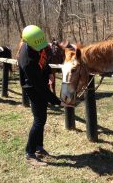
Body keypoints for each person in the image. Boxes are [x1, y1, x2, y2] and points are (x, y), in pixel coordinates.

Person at [17, 25, 70, 166]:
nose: (41, 48)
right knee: (39, 120)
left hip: (39, 83)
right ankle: (30, 153)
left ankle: (39, 147)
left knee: (42, 117)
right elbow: (39, 86)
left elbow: (44, 60)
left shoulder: (37, 46)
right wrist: (57, 102)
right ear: (28, 42)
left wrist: (49, 74)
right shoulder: (27, 60)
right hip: (33, 88)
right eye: (38, 46)